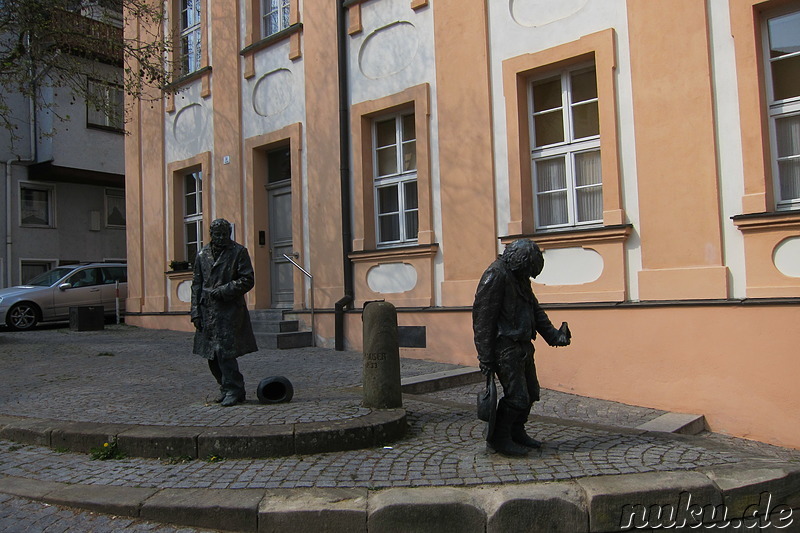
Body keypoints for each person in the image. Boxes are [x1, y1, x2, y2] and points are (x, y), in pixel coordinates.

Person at [472, 239, 571, 456]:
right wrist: (485, 358)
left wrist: (554, 336)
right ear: (520, 263)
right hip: (504, 347)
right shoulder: (496, 275)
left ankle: (517, 431)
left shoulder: (519, 277)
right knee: (517, 397)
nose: (528, 276)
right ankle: (500, 439)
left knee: (531, 392)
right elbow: (482, 319)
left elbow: (534, 309)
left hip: (524, 345)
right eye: (527, 271)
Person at [191, 218, 258, 407]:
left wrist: (223, 290)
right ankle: (225, 387)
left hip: (228, 311)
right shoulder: (202, 254)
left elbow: (247, 280)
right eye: (217, 234)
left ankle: (235, 389)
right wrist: (195, 312)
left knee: (225, 353)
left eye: (224, 234)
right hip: (206, 312)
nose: (221, 238)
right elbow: (196, 284)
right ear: (211, 234)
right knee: (210, 355)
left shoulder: (238, 252)